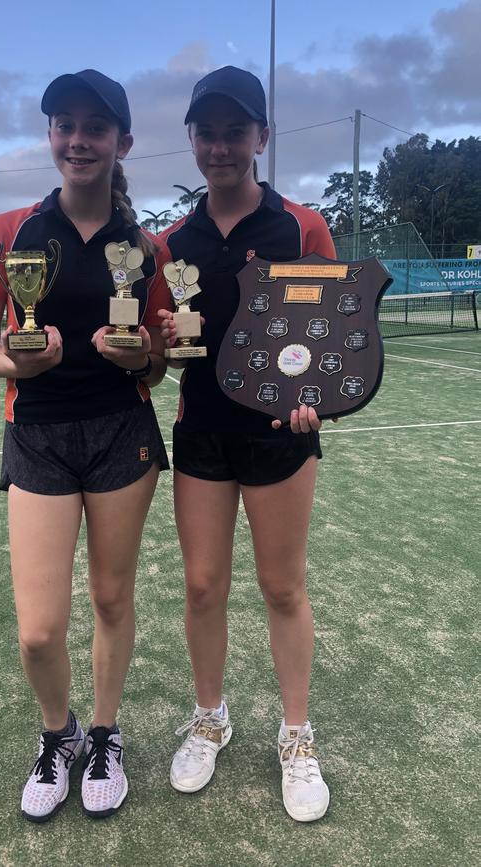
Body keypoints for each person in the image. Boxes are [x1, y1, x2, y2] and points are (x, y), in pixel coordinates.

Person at [0, 69, 171, 822]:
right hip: (39, 438)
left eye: (95, 126)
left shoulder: (145, 247)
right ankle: (59, 733)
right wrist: (19, 361)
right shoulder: (5, 233)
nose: (77, 139)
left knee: (113, 597)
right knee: (38, 628)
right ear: (51, 135)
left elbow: (154, 357)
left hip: (124, 433)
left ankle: (107, 733)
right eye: (64, 124)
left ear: (122, 141)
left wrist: (141, 356)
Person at [158, 66, 336, 822]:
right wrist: (156, 344)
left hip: (277, 441)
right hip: (201, 434)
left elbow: (330, 340)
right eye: (209, 132)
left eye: (237, 131)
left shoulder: (300, 227)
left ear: (262, 137)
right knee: (202, 586)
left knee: (283, 587)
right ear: (192, 140)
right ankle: (211, 716)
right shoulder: (169, 242)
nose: (221, 146)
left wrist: (314, 401)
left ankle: (296, 735)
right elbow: (165, 359)